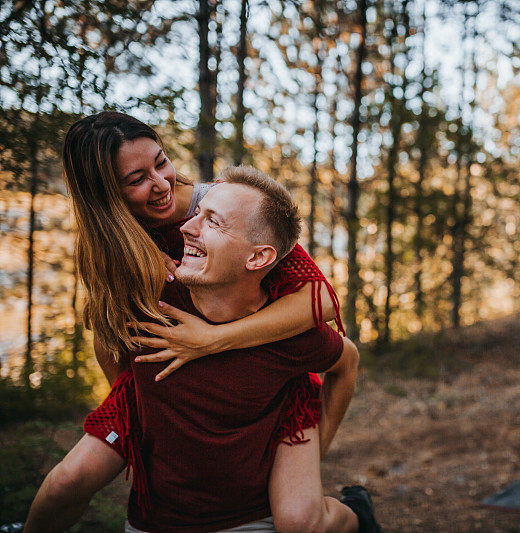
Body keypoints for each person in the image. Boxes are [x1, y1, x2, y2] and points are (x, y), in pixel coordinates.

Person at [23, 113, 378, 531]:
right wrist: (150, 415)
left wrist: (214, 339)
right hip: (155, 384)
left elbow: (322, 300)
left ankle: (356, 517)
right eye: (136, 179)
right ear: (106, 197)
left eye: (161, 161)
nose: (161, 184)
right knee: (66, 483)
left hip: (252, 367)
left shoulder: (217, 205)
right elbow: (106, 333)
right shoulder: (110, 244)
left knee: (298, 519)